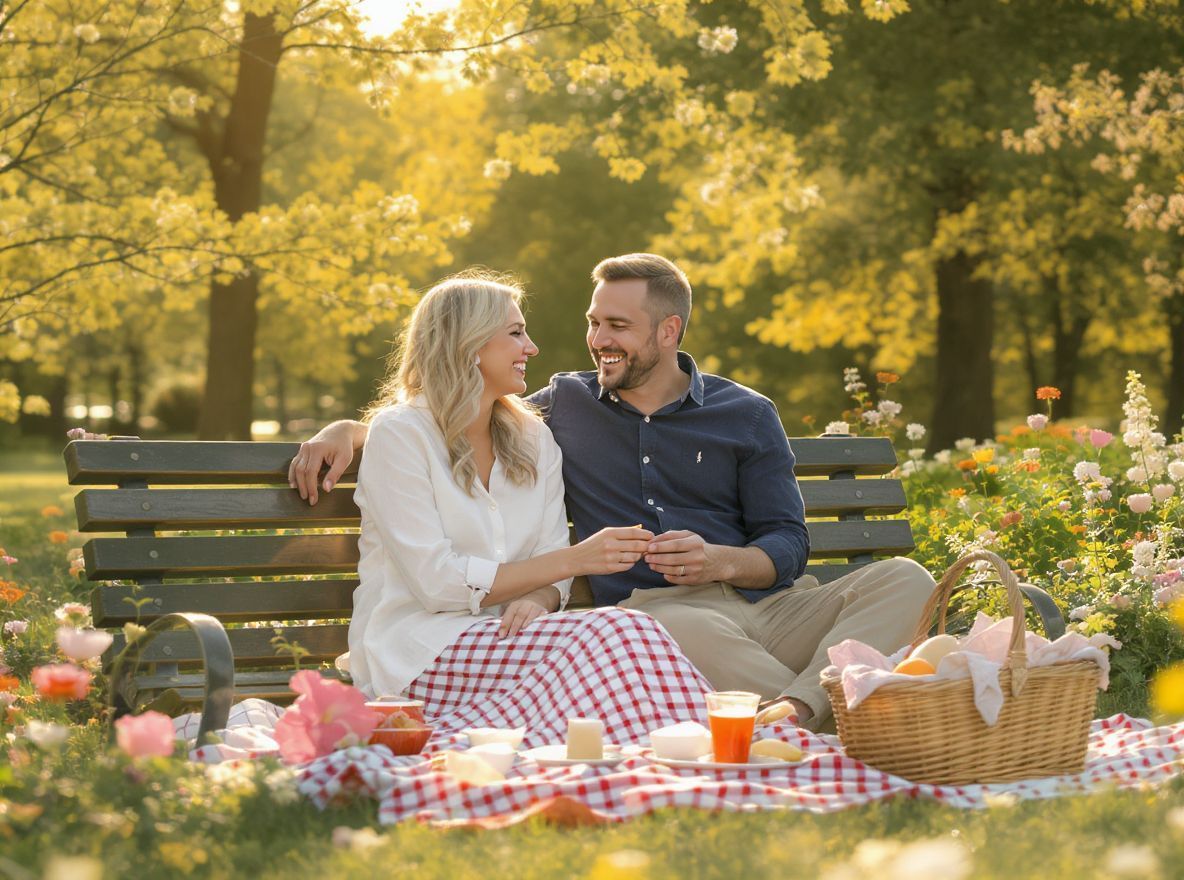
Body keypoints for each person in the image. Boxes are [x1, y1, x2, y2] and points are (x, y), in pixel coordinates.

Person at [291, 254, 936, 731]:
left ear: (669, 331)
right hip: (662, 616)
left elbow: (788, 544)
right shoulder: (564, 406)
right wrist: (352, 429)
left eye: (617, 325)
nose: (596, 340)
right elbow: (444, 416)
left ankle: (797, 711)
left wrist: (723, 562)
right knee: (656, 629)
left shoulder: (744, 413)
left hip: (768, 607)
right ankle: (870, 722)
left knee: (905, 579)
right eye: (593, 322)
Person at [327, 272, 710, 745]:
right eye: (515, 333)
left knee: (625, 641)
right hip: (420, 653)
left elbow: (551, 559)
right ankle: (707, 750)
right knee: (618, 632)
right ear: (467, 344)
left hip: (513, 644)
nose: (531, 348)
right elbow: (437, 584)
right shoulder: (402, 436)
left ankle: (694, 752)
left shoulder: (534, 438)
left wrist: (541, 598)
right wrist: (577, 558)